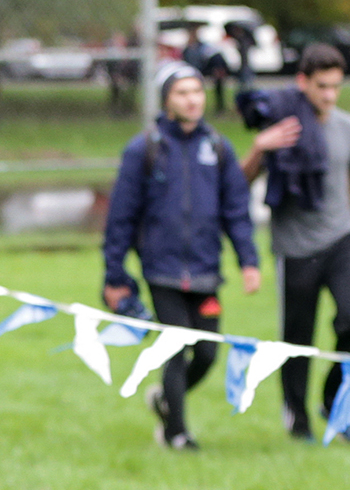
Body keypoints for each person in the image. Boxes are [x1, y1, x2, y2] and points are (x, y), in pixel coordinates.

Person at [240, 43, 350, 440]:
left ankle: (333, 401)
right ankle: (298, 417)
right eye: (322, 86)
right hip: (295, 248)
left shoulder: (349, 126)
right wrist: (261, 147)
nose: (329, 95)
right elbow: (239, 183)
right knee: (298, 339)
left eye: (336, 87)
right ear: (302, 82)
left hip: (342, 240)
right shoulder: (283, 125)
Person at [101, 61, 261, 450]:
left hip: (206, 271)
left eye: (197, 91)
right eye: (182, 93)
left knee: (206, 352)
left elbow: (236, 211)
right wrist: (114, 274)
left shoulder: (218, 148)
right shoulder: (145, 149)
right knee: (174, 349)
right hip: (163, 270)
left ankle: (165, 401)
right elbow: (121, 217)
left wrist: (248, 260)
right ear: (167, 100)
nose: (192, 100)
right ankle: (177, 434)